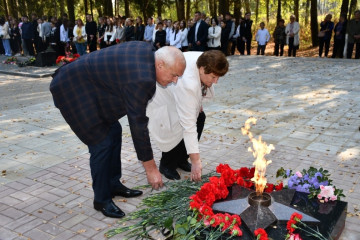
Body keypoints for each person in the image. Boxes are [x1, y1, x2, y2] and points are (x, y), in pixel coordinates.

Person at [50, 42, 186, 218]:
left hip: (92, 87)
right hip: (71, 90)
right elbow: (137, 123)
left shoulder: (150, 54)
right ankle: (101, 199)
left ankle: (113, 184)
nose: (175, 81)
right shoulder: (142, 77)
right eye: (174, 75)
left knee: (114, 130)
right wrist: (151, 168)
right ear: (160, 65)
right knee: (102, 143)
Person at [146, 50, 229, 181]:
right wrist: (196, 161)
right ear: (202, 69)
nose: (216, 82)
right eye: (213, 77)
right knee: (177, 126)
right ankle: (166, 165)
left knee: (200, 118)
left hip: (177, 93)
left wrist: (198, 101)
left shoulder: (206, 59)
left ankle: (181, 159)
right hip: (161, 96)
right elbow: (188, 126)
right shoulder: (188, 83)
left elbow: (198, 92)